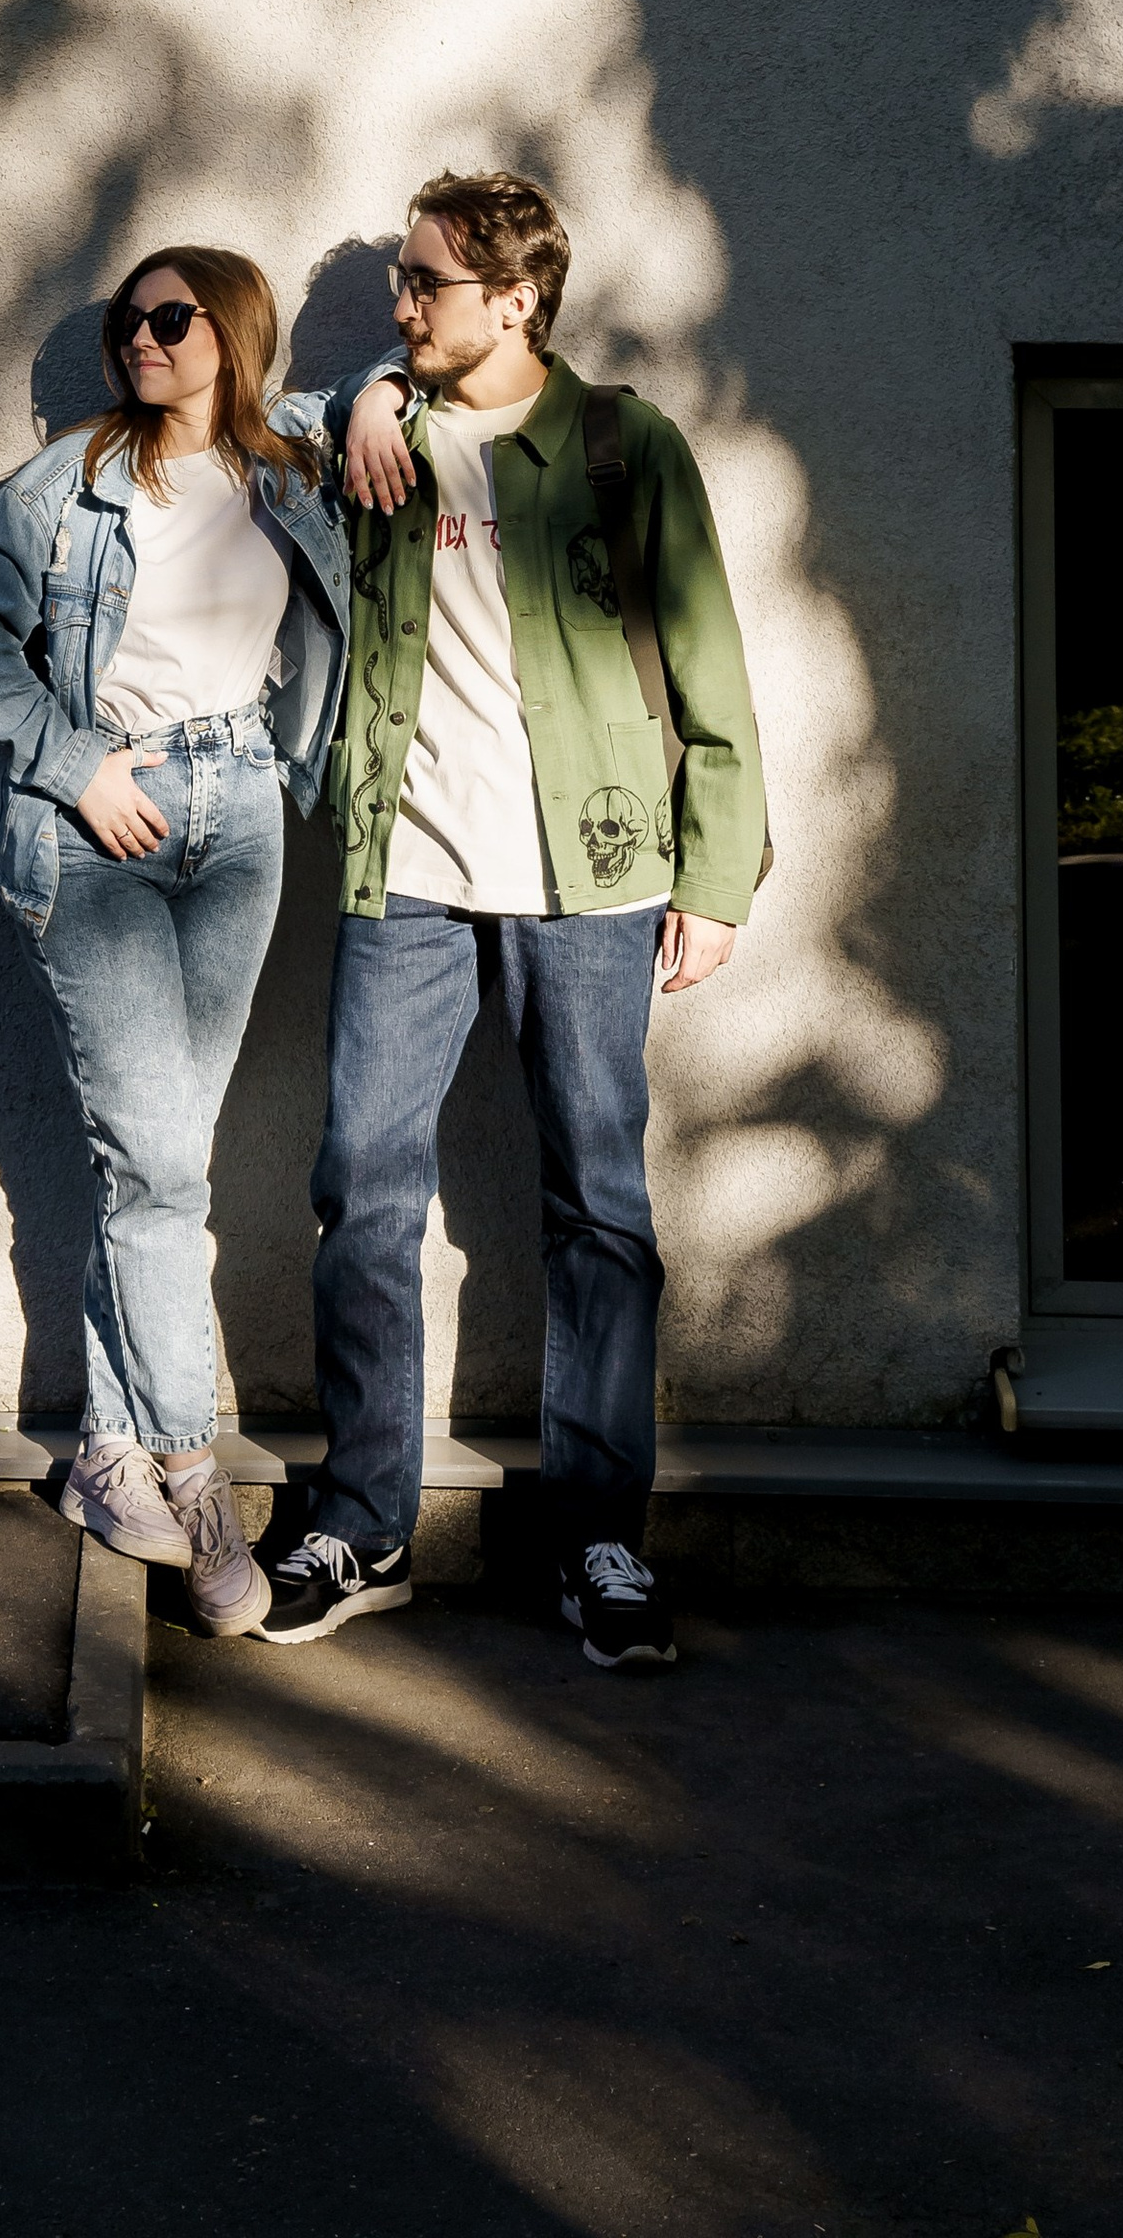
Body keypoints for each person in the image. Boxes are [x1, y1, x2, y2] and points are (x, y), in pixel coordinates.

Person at [253, 168, 766, 1668]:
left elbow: (713, 673)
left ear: (518, 298)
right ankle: (364, 1516)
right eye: (400, 282)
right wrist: (357, 390)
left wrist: (717, 878)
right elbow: (242, 449)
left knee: (600, 1205)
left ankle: (599, 1537)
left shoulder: (622, 445)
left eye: (424, 284)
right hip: (404, 870)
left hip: (594, 874)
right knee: (362, 1184)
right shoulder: (380, 435)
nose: (400, 305)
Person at [0, 248, 351, 1635]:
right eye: (129, 323)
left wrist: (394, 395)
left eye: (173, 320)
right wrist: (70, 761)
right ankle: (191, 1465)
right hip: (96, 820)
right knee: (156, 1165)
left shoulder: (293, 472)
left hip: (239, 822)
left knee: (166, 1160)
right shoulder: (67, 483)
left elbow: (398, 398)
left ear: (232, 337)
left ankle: (108, 1452)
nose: (144, 341)